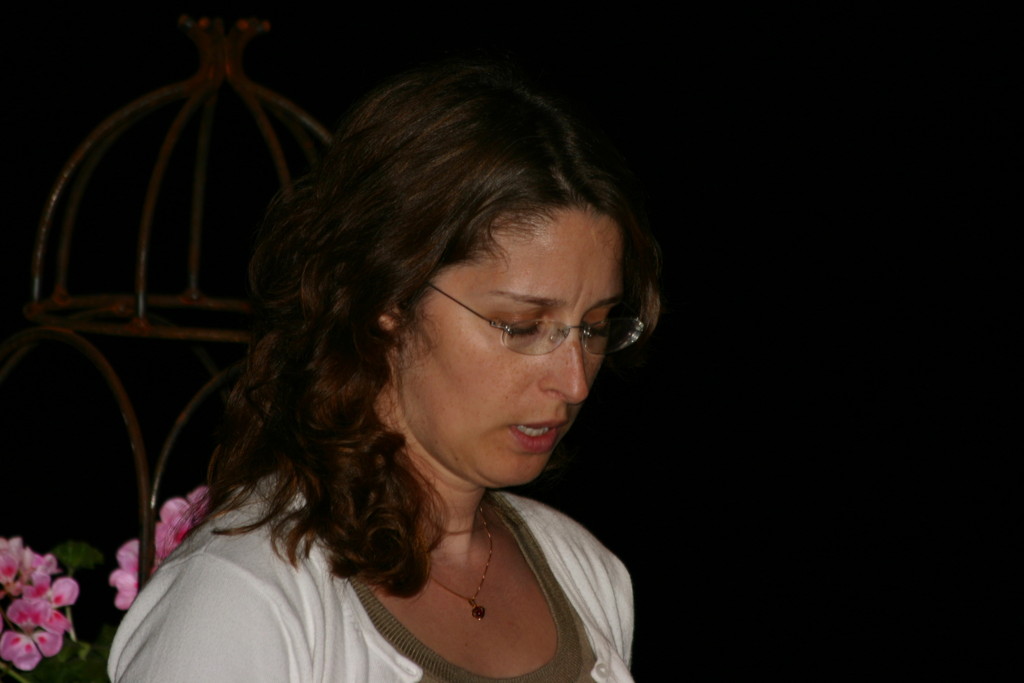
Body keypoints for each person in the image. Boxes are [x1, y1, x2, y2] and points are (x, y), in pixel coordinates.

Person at [108, 57, 661, 682]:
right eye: (522, 326)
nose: (575, 382)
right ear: (388, 299)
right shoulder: (244, 596)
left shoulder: (585, 572)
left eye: (594, 327)